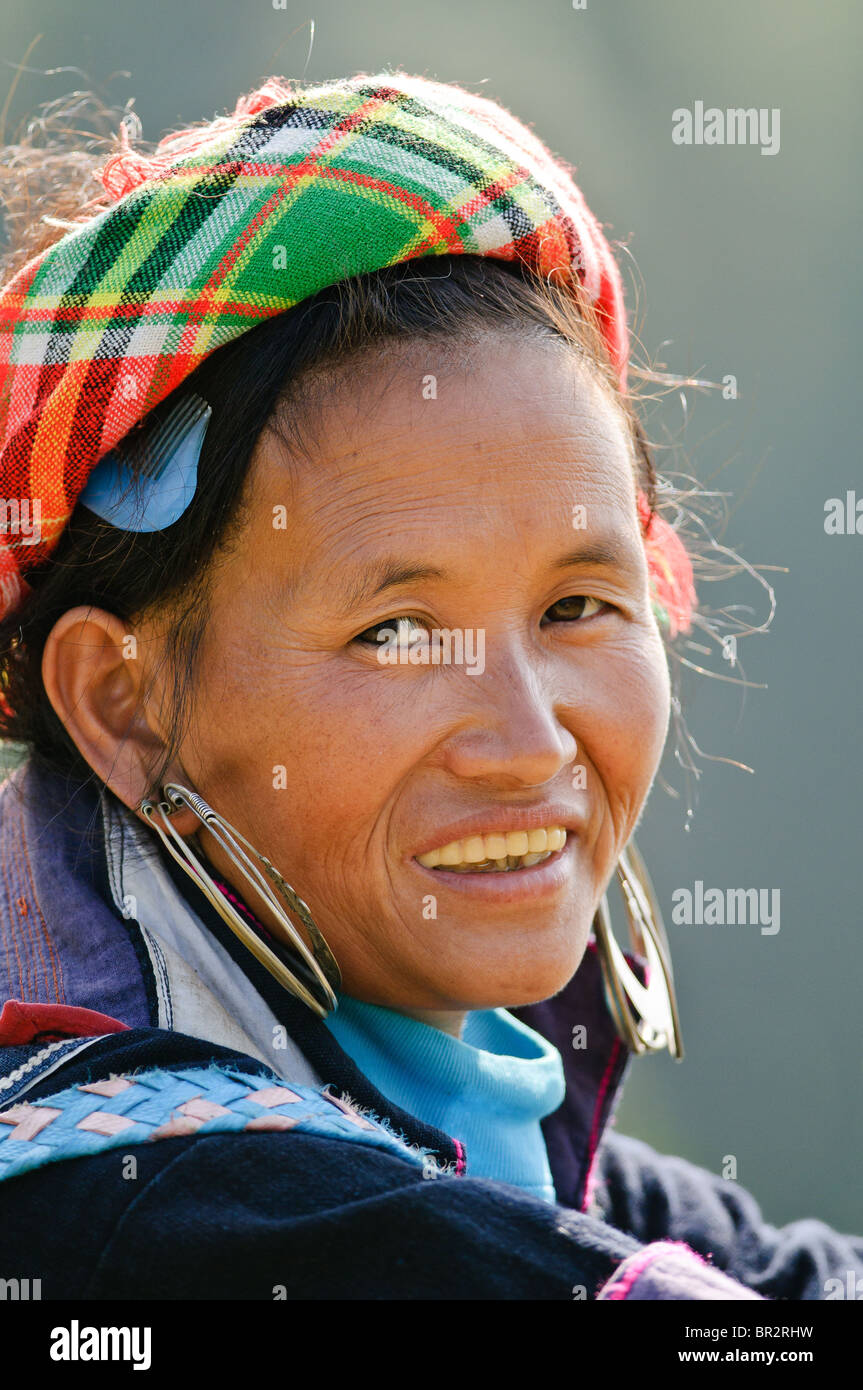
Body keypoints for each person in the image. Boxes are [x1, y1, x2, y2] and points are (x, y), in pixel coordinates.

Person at [0, 70, 858, 1301]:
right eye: (398, 632)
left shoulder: (511, 1134)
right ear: (126, 700)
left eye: (576, 608)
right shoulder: (136, 1221)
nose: (524, 741)